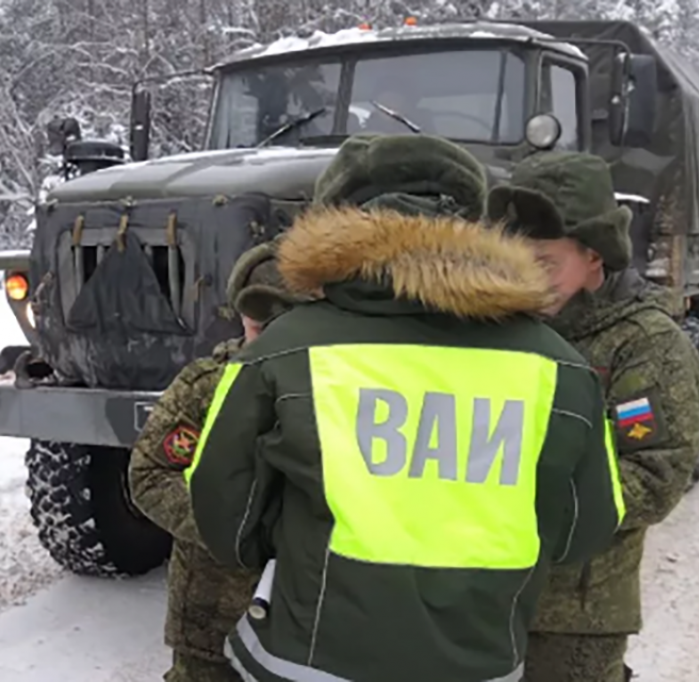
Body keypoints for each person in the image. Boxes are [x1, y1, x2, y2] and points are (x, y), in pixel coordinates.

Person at [185, 133, 626, 682]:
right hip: (481, 663)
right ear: (474, 226)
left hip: (308, 662)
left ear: (334, 222)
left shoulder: (284, 349)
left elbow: (225, 514)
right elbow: (585, 526)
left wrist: (299, 541)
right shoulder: (560, 367)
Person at [487, 151, 699, 682]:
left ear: (594, 256)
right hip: (479, 598)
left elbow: (652, 475)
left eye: (544, 262)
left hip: (573, 619)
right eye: (512, 260)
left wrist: (523, 505)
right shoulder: (490, 331)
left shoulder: (644, 344)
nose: (525, 278)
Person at [128, 240, 297, 682]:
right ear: (241, 315)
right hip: (210, 619)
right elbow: (149, 475)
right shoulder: (205, 386)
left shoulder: (335, 387)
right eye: (260, 329)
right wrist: (229, 527)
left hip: (301, 623)